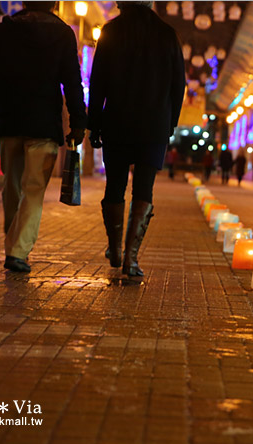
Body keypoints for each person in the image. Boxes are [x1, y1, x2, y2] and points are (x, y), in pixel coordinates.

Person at [0, 1, 86, 273]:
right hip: (44, 123)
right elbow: (72, 80)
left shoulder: (6, 29)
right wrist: (79, 122)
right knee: (33, 190)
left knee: (12, 188)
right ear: (54, 3)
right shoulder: (63, 33)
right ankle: (17, 251)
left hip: (10, 118)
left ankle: (14, 247)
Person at [88, 1, 185, 277]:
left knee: (115, 186)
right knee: (144, 190)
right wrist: (170, 124)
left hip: (117, 122)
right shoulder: (167, 34)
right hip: (154, 127)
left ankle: (115, 248)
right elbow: (179, 85)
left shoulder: (111, 32)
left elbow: (98, 82)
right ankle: (131, 258)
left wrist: (94, 125)